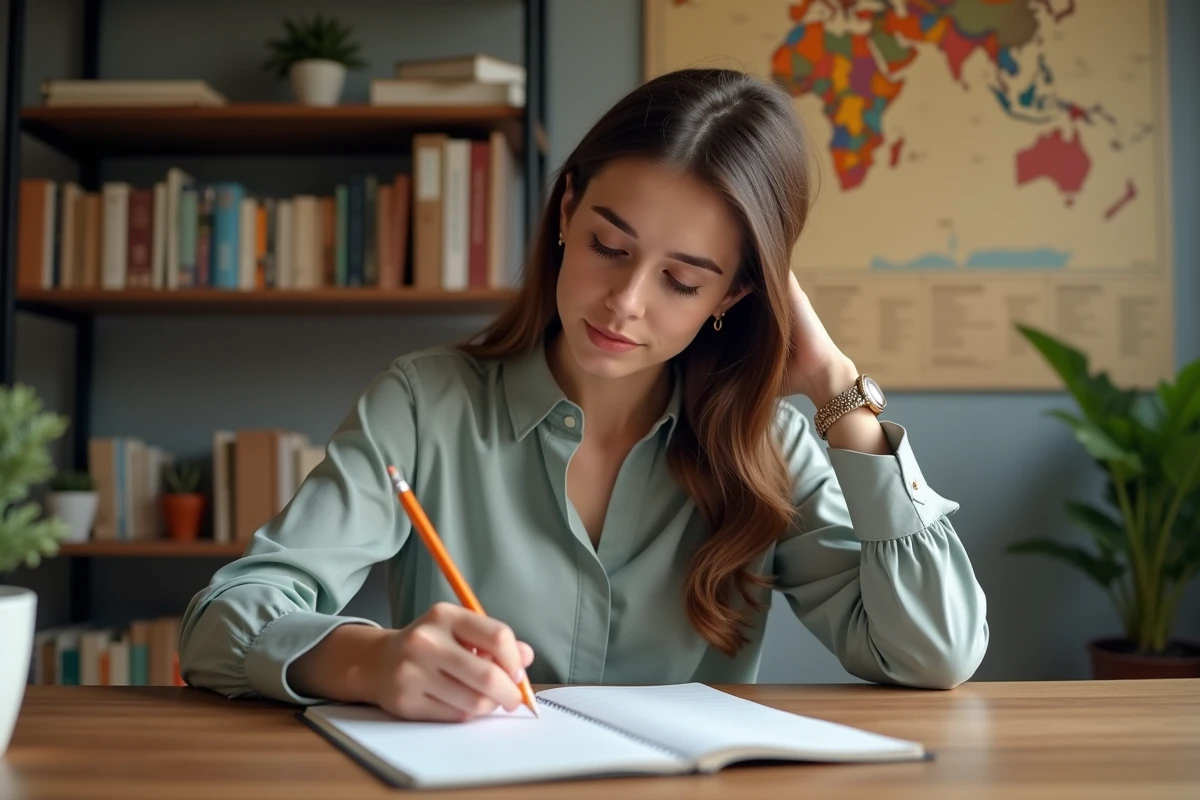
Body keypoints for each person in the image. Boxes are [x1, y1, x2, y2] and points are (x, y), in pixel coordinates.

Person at [179, 67, 988, 723]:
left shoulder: (768, 445)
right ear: (567, 210)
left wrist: (838, 389)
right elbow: (222, 622)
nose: (624, 302)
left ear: (733, 297)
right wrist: (364, 659)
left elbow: (934, 652)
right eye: (609, 245)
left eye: (681, 280)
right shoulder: (427, 403)